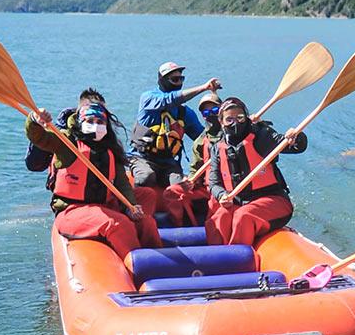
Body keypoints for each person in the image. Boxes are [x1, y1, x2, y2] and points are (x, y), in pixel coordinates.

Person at [26, 88, 162, 258]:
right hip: (72, 209)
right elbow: (40, 138)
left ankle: (157, 260)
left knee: (147, 207)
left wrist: (131, 206)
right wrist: (34, 120)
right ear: (80, 120)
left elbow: (121, 183)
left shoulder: (110, 148)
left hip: (102, 204)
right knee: (117, 223)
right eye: (90, 120)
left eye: (100, 121)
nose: (96, 125)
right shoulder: (67, 144)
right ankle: (137, 265)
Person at [206, 97, 307, 247]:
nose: (235, 123)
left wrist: (296, 137)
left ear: (246, 117)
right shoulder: (217, 148)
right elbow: (213, 182)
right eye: (229, 120)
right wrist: (221, 195)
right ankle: (218, 261)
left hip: (273, 200)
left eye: (240, 118)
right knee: (219, 218)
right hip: (239, 201)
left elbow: (295, 147)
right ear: (221, 122)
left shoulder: (261, 136)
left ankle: (238, 262)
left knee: (243, 216)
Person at [129, 61, 220, 188]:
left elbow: (203, 137)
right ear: (162, 80)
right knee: (146, 176)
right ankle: (134, 205)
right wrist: (203, 88)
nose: (179, 83)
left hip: (168, 162)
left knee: (179, 187)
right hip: (142, 158)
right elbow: (169, 99)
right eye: (174, 79)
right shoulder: (148, 99)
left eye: (181, 79)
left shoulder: (185, 113)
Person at [161, 91, 221, 226]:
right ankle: (182, 228)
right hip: (209, 187)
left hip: (231, 187)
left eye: (215, 110)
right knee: (171, 193)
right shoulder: (201, 141)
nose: (211, 115)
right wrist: (191, 180)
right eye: (206, 113)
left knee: (218, 204)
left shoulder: (235, 133)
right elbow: (195, 168)